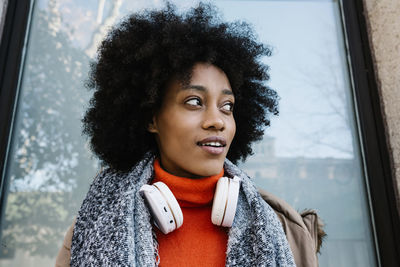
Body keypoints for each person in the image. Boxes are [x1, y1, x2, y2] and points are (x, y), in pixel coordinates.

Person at [55, 3, 324, 267]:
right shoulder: (92, 227)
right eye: (194, 101)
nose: (217, 121)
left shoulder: (284, 231)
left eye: (227, 106)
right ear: (151, 118)